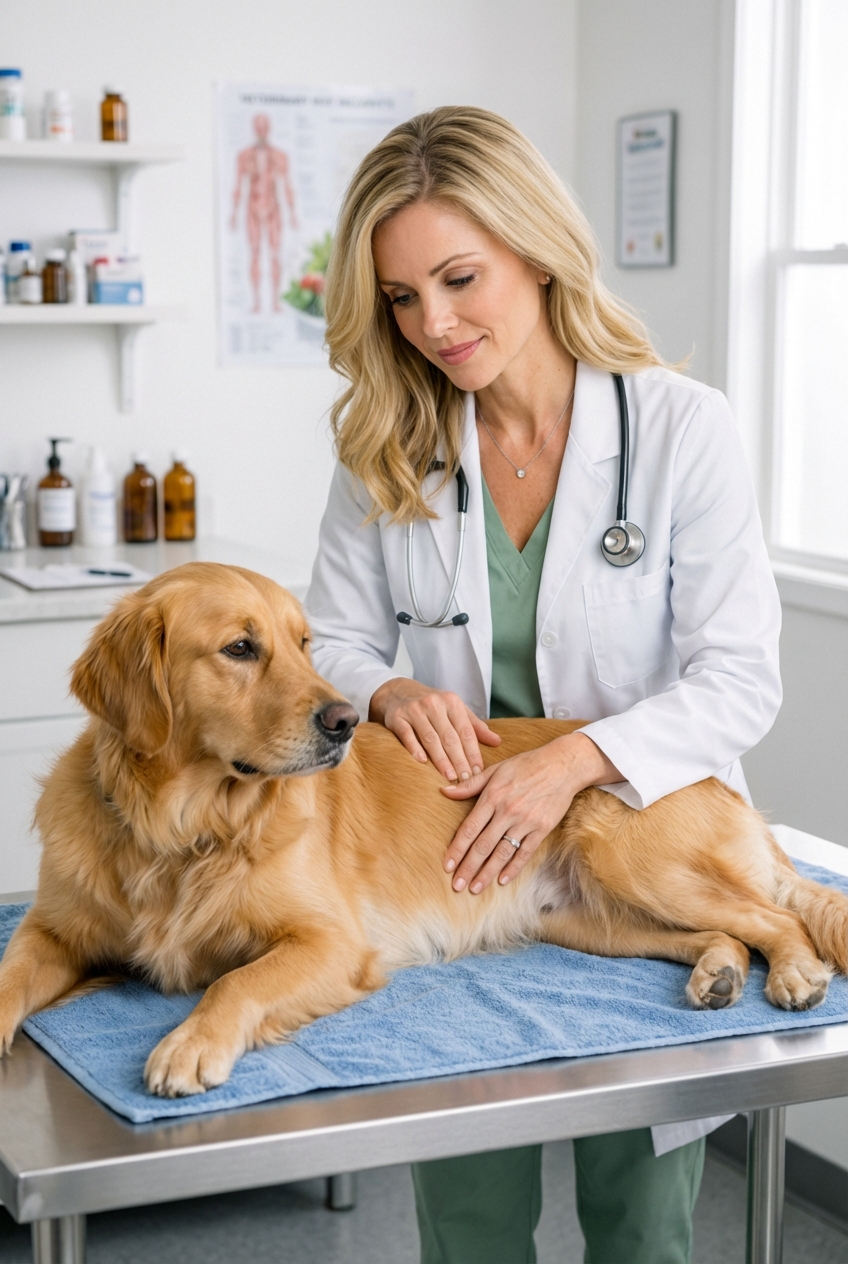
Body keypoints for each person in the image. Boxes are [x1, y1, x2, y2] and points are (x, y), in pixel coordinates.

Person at [306, 107, 781, 1264]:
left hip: (626, 845)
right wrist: (385, 694)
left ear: (536, 247)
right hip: (457, 874)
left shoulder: (679, 428)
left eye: (459, 278)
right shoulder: (386, 448)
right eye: (402, 299)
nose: (435, 323)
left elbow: (739, 679)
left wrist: (567, 761)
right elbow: (325, 639)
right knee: (466, 1225)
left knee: (639, 1223)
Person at [230, 112, 298, 313]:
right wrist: (234, 213)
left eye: (263, 126)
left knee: (275, 255)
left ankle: (275, 301)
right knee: (255, 254)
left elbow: (287, 186)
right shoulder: (244, 156)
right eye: (258, 126)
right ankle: (257, 301)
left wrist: (292, 213)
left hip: (272, 208)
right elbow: (238, 186)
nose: (261, 130)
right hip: (252, 207)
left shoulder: (279, 156)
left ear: (268, 128)